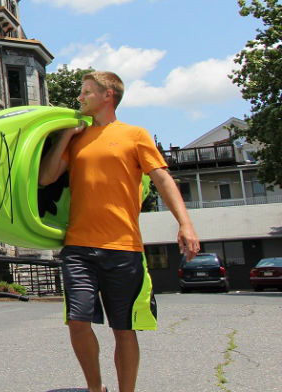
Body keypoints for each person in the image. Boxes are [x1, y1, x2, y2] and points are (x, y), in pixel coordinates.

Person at [38, 71, 200, 392]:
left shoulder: (135, 135)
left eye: (86, 92)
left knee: (123, 330)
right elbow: (46, 178)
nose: (80, 98)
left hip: (124, 248)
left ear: (107, 95)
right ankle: (96, 388)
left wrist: (185, 223)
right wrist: (66, 138)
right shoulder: (78, 138)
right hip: (78, 248)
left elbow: (163, 179)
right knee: (78, 322)